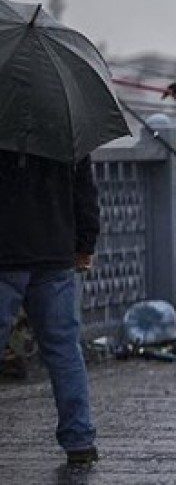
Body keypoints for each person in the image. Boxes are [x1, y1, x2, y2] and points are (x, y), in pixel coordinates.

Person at [0, 150, 101, 468]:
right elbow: (85, 189)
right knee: (64, 350)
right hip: (55, 253)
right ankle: (79, 440)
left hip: (5, 254)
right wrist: (85, 244)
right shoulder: (65, 121)